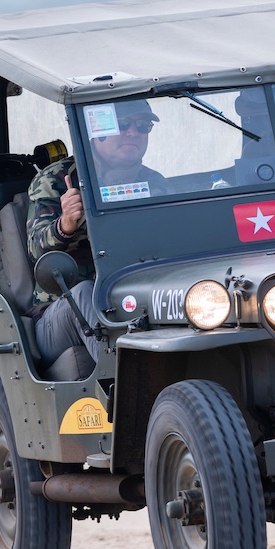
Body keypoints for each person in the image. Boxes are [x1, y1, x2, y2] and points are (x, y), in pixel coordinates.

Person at [27, 99, 166, 366]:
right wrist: (65, 224)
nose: (133, 132)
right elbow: (36, 251)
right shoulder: (57, 179)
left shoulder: (154, 183)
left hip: (132, 298)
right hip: (59, 312)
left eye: (143, 126)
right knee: (84, 293)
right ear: (95, 132)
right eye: (123, 124)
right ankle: (125, 380)